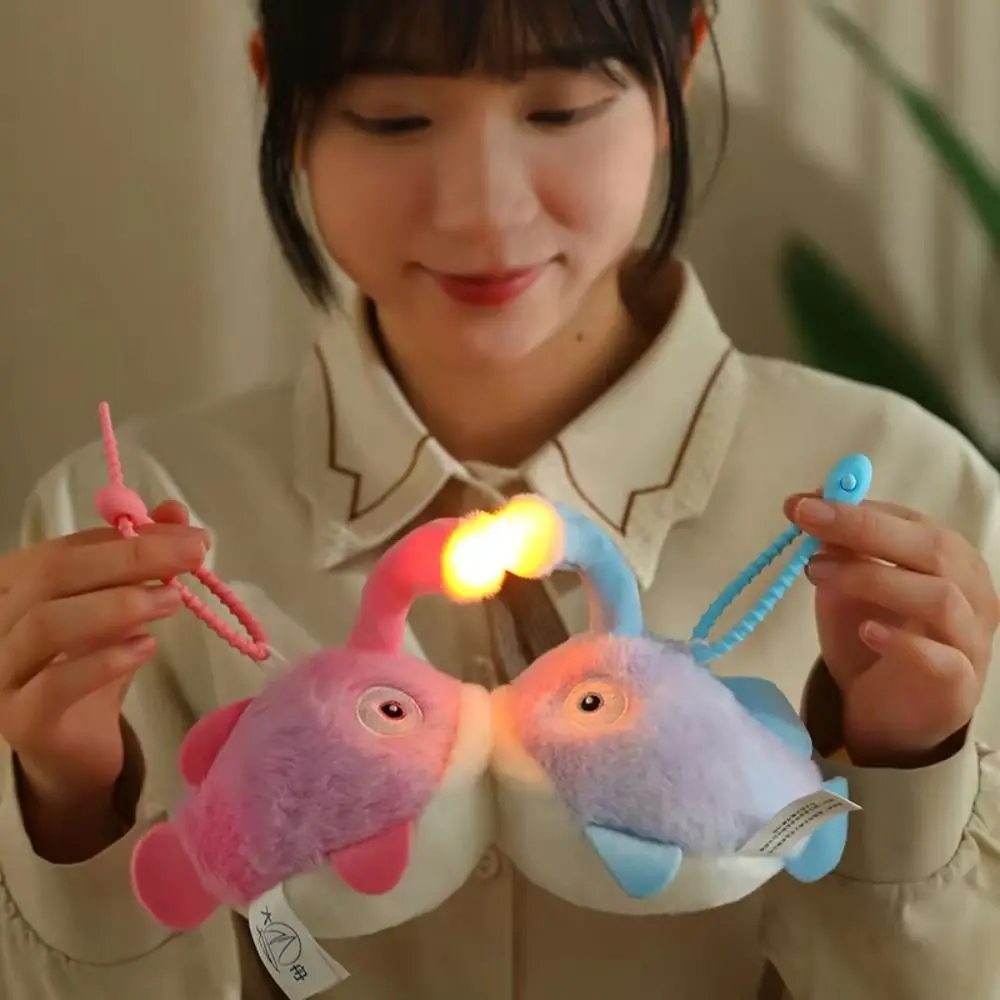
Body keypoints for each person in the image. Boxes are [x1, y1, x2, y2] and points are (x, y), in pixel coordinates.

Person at [1, 0, 999, 997]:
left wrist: (906, 770)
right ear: (286, 99)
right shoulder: (132, 530)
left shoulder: (909, 500)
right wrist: (74, 804)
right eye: (394, 119)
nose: (481, 210)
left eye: (559, 111)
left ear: (678, 70)